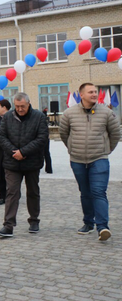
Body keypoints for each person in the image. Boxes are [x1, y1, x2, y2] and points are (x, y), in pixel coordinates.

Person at [59, 82, 121, 241]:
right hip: (77, 160)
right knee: (85, 193)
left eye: (95, 91)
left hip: (99, 159)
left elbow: (115, 134)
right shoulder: (69, 113)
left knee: (98, 192)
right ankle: (88, 223)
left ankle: (103, 227)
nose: (94, 94)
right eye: (91, 92)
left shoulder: (106, 112)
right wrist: (72, 149)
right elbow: (63, 134)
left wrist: (105, 150)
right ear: (82, 95)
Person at [0, 92, 48, 237]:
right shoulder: (7, 117)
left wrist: (23, 152)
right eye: (17, 106)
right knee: (12, 192)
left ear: (29, 104)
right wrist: (14, 152)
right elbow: (1, 136)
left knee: (32, 191)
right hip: (12, 162)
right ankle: (8, 225)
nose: (19, 109)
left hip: (32, 162)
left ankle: (34, 220)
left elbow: (42, 138)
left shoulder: (39, 117)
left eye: (22, 106)